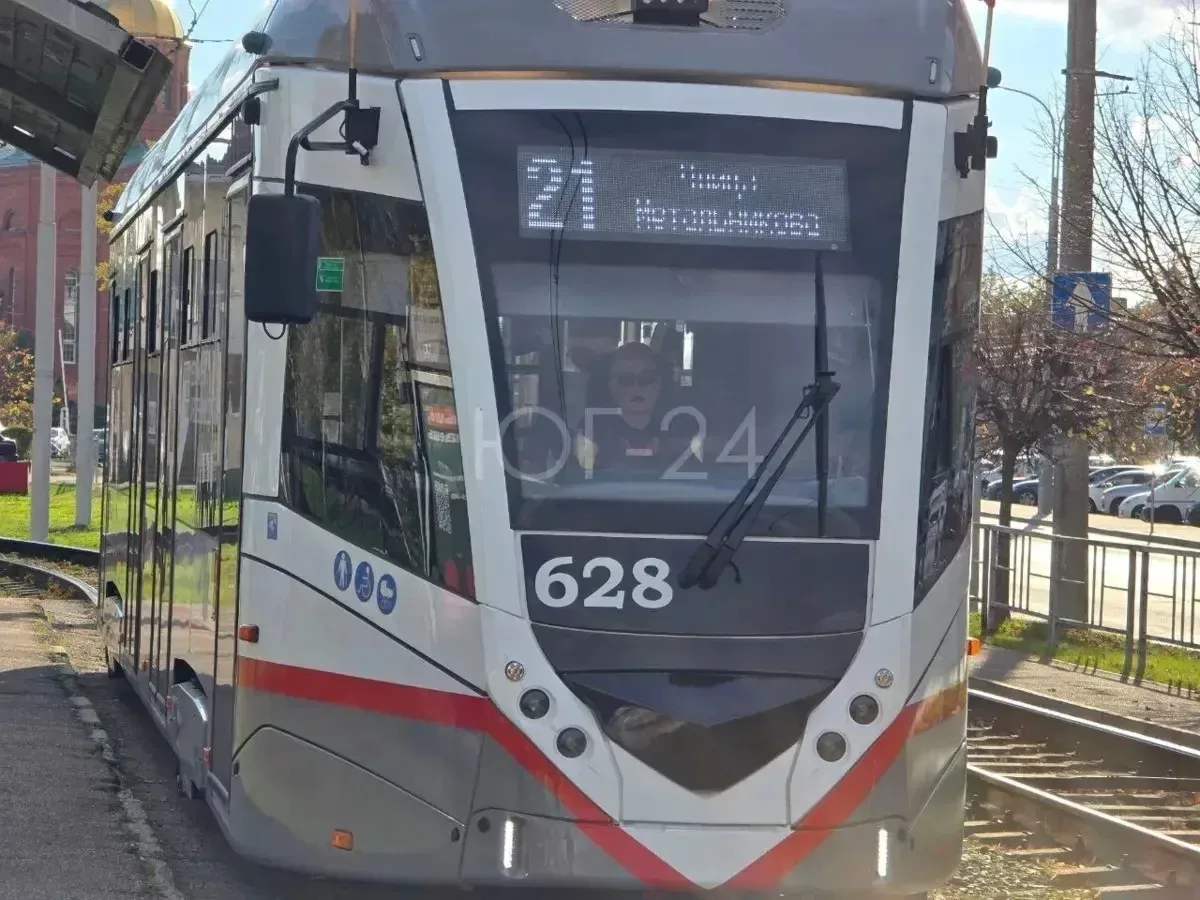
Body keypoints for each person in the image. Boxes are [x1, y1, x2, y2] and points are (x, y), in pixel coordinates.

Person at [571, 341, 699, 476]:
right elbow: (584, 476)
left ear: (659, 383)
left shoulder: (680, 429)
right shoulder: (591, 430)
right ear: (611, 385)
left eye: (646, 378)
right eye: (626, 380)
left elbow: (695, 475)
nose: (636, 387)